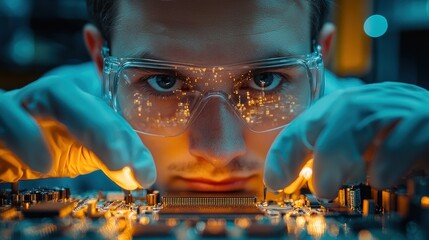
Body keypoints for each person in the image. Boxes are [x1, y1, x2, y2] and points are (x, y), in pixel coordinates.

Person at [0, 0, 428, 200]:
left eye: (265, 79)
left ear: (323, 57)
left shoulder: (379, 138)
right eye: (163, 83)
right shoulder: (42, 123)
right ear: (100, 61)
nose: (218, 151)